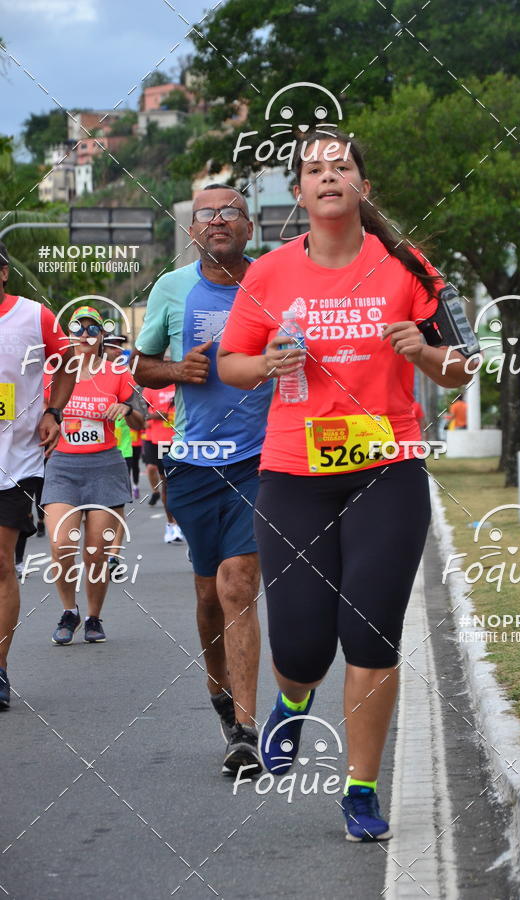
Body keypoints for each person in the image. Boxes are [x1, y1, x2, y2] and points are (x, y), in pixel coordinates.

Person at [217, 130, 470, 841]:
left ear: (363, 185)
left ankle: (360, 790)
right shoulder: (268, 274)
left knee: (369, 633)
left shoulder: (405, 265)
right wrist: (265, 362)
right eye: (314, 170)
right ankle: (292, 705)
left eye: (342, 167)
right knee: (301, 647)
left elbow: (462, 368)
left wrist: (427, 352)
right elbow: (228, 363)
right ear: (298, 194)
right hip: (295, 476)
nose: (329, 177)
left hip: (386, 472)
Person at [132, 183, 272, 776]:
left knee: (239, 581)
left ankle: (244, 728)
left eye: (230, 212)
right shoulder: (170, 288)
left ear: (248, 226)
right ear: (193, 230)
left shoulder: (273, 280)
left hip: (265, 456)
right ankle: (219, 691)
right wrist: (176, 369)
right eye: (206, 214)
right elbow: (139, 365)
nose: (217, 221)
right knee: (208, 594)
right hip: (192, 461)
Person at [0, 241, 75, 708]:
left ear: (4, 272)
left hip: (15, 460)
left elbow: (66, 361)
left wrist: (54, 409)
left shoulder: (34, 316)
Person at [42, 306, 138, 645]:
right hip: (63, 467)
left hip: (104, 466)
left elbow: (140, 414)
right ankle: (69, 610)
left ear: (101, 336)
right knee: (60, 544)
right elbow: (37, 415)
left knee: (96, 552)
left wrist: (127, 408)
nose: (84, 335)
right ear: (69, 335)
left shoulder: (117, 372)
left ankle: (94, 617)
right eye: (77, 328)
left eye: (92, 329)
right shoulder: (52, 372)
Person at [142, 385, 184, 543]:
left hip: (182, 439)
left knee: (183, 483)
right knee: (167, 482)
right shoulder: (150, 388)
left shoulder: (181, 383)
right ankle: (171, 524)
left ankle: (184, 524)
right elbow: (141, 414)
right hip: (161, 442)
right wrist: (155, 415)